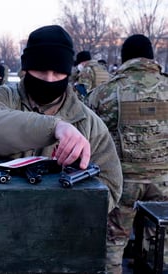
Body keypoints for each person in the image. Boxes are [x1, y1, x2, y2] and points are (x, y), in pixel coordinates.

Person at [0, 25, 123, 271]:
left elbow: (110, 187)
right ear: (26, 67)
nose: (49, 80)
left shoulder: (88, 122)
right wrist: (54, 128)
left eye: (58, 72)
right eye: (41, 70)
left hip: (57, 242)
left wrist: (59, 214)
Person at [86, 34, 168, 273]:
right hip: (164, 181)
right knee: (161, 243)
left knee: (114, 241)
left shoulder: (106, 92)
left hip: (123, 181)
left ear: (124, 58)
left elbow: (91, 134)